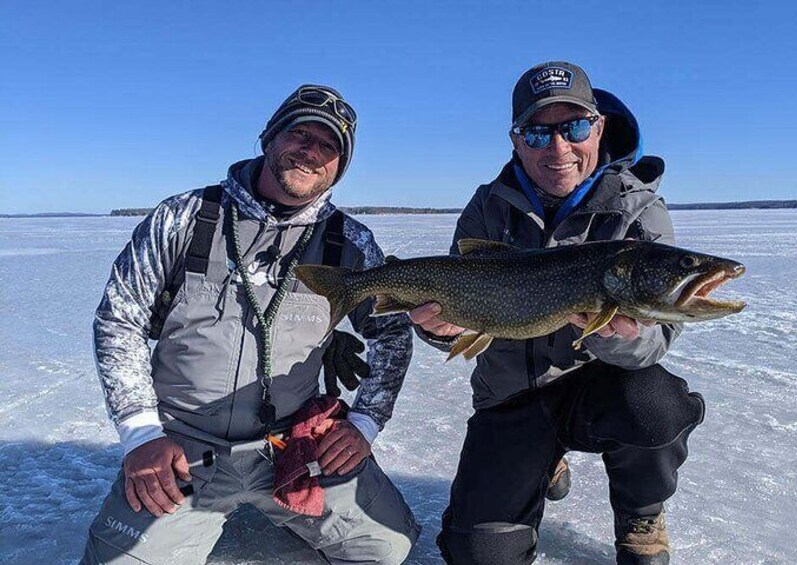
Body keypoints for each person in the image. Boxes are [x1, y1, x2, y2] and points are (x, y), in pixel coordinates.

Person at [82, 84, 420, 564]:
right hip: (183, 445)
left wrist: (365, 422)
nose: (311, 151)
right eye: (299, 134)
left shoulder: (350, 243)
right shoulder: (185, 218)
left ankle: (283, 504)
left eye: (329, 146)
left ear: (340, 166)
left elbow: (390, 333)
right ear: (269, 138)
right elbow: (120, 319)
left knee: (388, 548)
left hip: (293, 441)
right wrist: (142, 435)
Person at [410, 62, 705, 564]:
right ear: (516, 140)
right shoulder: (487, 206)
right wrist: (440, 330)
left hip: (597, 389)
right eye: (538, 132)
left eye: (574, 127)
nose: (559, 149)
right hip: (510, 397)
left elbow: (655, 342)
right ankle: (541, 460)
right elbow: (461, 302)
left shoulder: (638, 211)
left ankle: (642, 511)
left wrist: (616, 336)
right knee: (479, 554)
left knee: (656, 404)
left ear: (599, 128)